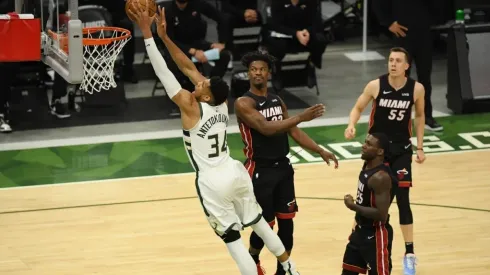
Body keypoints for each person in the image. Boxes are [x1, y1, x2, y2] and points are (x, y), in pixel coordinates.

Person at [127, 4, 317, 274]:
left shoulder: (190, 107)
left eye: (201, 85)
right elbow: (187, 66)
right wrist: (165, 37)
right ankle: (290, 267)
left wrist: (147, 34)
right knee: (260, 224)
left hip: (212, 180)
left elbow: (165, 73)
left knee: (234, 242)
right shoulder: (220, 103)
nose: (198, 82)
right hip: (234, 171)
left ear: (204, 95)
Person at [234, 51, 339, 275]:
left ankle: (284, 270)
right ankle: (253, 259)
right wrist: (301, 116)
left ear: (268, 72)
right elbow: (265, 128)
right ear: (248, 74)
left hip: (283, 168)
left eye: (262, 69)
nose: (257, 73)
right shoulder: (243, 103)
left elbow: (292, 129)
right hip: (259, 170)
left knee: (287, 223)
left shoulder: (276, 99)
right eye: (253, 69)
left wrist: (319, 149)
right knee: (266, 225)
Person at [344, 47, 426, 275]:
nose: (393, 64)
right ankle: (356, 234)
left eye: (398, 61)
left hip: (401, 151)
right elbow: (358, 107)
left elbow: (419, 116)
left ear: (406, 66)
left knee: (402, 199)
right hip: (377, 151)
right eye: (391, 60)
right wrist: (351, 124)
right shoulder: (376, 85)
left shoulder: (416, 89)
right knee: (366, 196)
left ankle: (409, 253)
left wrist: (420, 146)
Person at [372, 0, 443, 132]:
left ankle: (427, 117)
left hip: (424, 32)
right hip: (403, 33)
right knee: (399, 79)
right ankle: (395, 119)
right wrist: (388, 22)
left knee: (425, 78)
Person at [342, 132, 398, 275]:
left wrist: (352, 206)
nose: (363, 146)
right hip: (360, 232)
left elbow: (381, 215)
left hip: (375, 235)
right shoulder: (367, 165)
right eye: (365, 142)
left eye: (368, 144)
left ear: (380, 151)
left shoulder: (381, 177)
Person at [264, 0, 327, 91]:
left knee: (320, 41)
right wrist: (295, 33)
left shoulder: (310, 2)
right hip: (284, 34)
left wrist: (308, 31)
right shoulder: (277, 2)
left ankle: (311, 65)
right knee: (276, 45)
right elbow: (274, 25)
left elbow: (317, 23)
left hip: (304, 34)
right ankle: (276, 70)